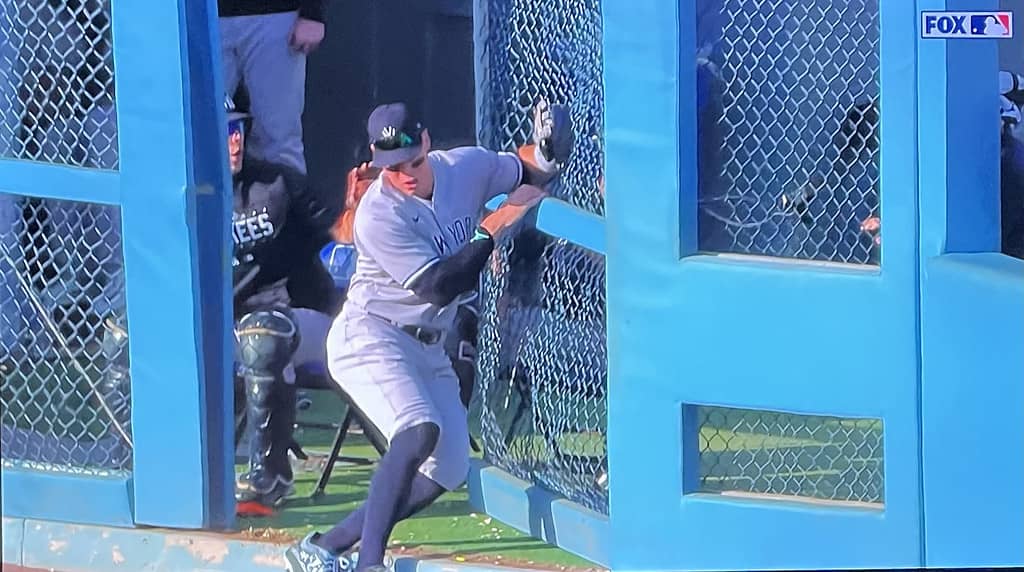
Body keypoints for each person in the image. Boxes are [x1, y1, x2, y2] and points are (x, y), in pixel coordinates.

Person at [284, 99, 574, 572]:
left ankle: (326, 546)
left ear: (425, 143)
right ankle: (369, 563)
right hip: (371, 337)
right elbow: (441, 286)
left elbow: (523, 173)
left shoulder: (463, 165)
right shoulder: (379, 212)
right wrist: (491, 229)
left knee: (450, 466)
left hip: (428, 343)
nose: (404, 175)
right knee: (418, 430)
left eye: (412, 161)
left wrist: (545, 153)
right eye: (391, 167)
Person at [218, 0, 329, 174]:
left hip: (277, 16)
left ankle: (280, 201)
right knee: (198, 137)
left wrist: (313, 11)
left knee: (279, 140)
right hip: (200, 16)